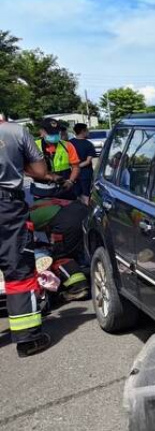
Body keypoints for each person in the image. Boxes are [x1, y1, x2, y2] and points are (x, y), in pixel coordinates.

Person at [0, 120, 61, 357]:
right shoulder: (15, 131)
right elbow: (39, 172)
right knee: (18, 269)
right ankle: (27, 339)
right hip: (6, 208)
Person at [31, 118, 79, 200]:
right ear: (41, 132)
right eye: (50, 133)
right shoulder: (33, 146)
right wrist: (50, 176)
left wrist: (70, 181)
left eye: (56, 132)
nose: (54, 135)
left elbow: (76, 167)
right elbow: (27, 170)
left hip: (64, 191)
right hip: (41, 193)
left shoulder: (68, 146)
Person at [69, 123, 96, 204]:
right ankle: (85, 212)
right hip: (85, 174)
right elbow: (88, 161)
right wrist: (77, 167)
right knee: (86, 194)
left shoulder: (68, 143)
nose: (88, 132)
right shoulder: (89, 144)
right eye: (87, 130)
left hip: (72, 175)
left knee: (75, 194)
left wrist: (74, 168)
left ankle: (77, 211)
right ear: (82, 131)